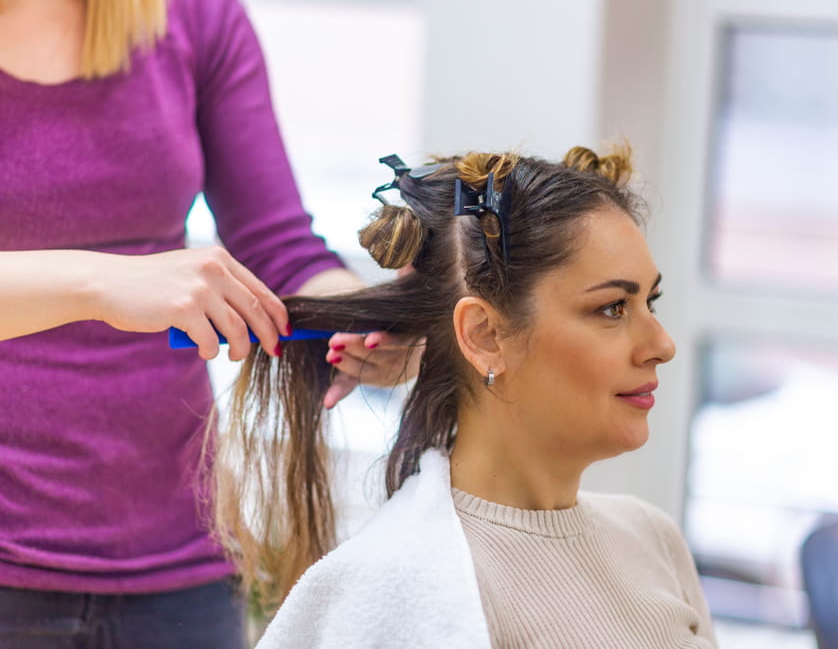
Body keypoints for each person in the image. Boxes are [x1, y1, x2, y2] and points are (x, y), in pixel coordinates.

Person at [0, 0, 415, 647]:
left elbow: (280, 247)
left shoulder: (191, 11)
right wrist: (100, 283)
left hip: (179, 566)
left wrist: (370, 320)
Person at [217, 145, 718, 647]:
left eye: (649, 301)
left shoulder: (652, 539)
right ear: (484, 336)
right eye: (612, 307)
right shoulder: (393, 585)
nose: (663, 346)